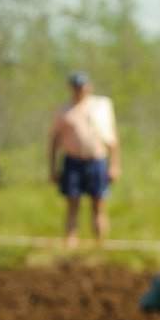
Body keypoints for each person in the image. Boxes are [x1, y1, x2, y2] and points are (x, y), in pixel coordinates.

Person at [48, 71, 119, 247]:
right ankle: (70, 244)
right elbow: (54, 141)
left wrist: (115, 164)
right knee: (72, 205)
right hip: (73, 162)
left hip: (97, 160)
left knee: (98, 205)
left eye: (83, 86)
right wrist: (52, 167)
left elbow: (113, 138)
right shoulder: (64, 110)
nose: (80, 90)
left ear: (89, 87)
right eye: (76, 86)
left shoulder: (101, 106)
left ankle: (100, 245)